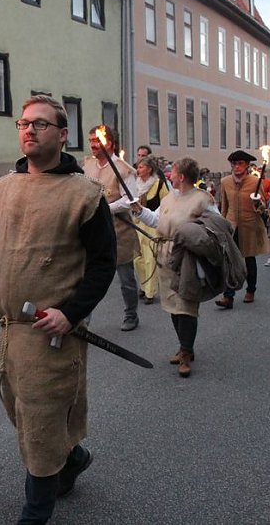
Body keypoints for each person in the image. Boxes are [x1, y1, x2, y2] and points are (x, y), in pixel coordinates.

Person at [0, 95, 116, 524]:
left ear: (62, 133)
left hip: (51, 332)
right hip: (8, 330)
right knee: (23, 412)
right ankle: (72, 459)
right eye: (23, 123)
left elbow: (103, 265)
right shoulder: (0, 190)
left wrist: (71, 312)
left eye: (40, 123)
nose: (29, 130)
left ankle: (34, 514)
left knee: (39, 423)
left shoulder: (85, 196)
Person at [131, 157, 219, 377]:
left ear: (182, 176)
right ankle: (183, 346)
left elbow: (217, 227)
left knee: (186, 305)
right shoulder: (170, 198)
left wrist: (194, 238)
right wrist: (140, 210)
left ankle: (187, 352)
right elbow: (156, 220)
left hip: (188, 258)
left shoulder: (202, 200)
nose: (169, 175)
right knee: (172, 304)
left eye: (173, 172)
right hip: (166, 255)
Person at [83, 124, 141, 331]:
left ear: (110, 143)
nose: (93, 145)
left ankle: (131, 314)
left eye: (97, 141)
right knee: (87, 276)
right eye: (91, 141)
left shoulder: (124, 169)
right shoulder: (87, 165)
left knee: (125, 278)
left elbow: (130, 200)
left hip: (119, 231)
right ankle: (83, 318)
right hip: (93, 231)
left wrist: (105, 209)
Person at [215, 150, 269, 308]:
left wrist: (258, 204)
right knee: (229, 262)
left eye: (240, 164)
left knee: (249, 261)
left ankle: (251, 289)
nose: (236, 167)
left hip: (249, 225)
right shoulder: (225, 182)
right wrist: (222, 224)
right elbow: (224, 206)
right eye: (234, 164)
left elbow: (263, 206)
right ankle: (228, 296)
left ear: (246, 165)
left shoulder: (254, 182)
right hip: (231, 226)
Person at [132, 156, 168, 304]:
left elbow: (166, 202)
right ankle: (143, 284)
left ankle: (150, 292)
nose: (138, 170)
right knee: (137, 258)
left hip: (152, 224)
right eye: (138, 167)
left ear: (149, 169)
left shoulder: (158, 184)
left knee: (150, 258)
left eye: (141, 167)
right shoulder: (135, 185)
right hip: (138, 223)